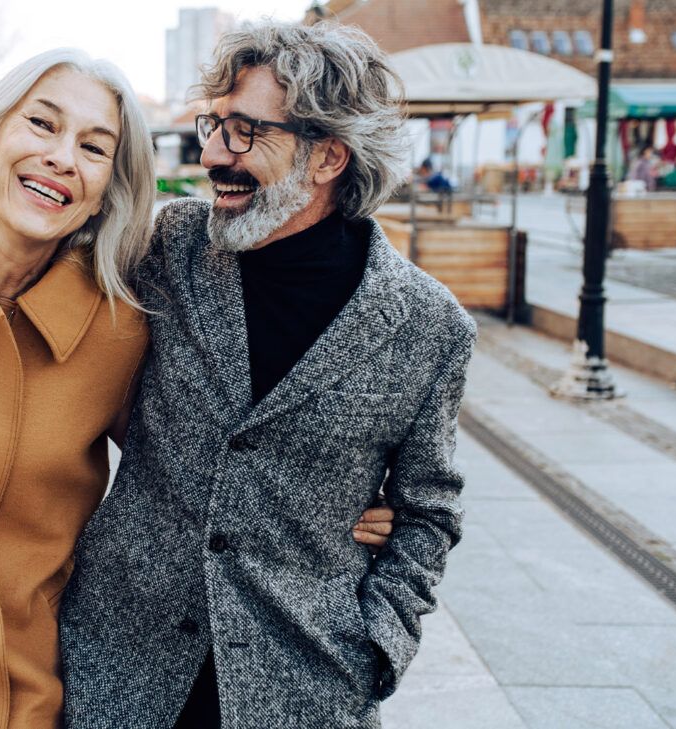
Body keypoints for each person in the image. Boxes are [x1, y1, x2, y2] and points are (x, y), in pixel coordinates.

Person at [0, 47, 395, 729]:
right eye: (41, 124)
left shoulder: (119, 326)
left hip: (29, 692)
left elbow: (200, 460)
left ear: (106, 189)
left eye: (94, 148)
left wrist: (340, 500)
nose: (62, 157)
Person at [56, 22, 475, 728]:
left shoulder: (429, 327)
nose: (213, 152)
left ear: (328, 157)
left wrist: (379, 645)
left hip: (304, 685)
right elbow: (31, 253)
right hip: (120, 668)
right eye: (213, 124)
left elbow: (429, 512)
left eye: (245, 131)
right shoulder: (169, 247)